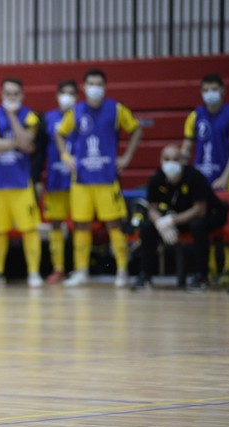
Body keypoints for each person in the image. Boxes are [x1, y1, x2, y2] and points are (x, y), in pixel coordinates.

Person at [55, 68, 143, 287]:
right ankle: (82, 271)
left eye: (99, 84)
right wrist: (65, 156)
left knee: (114, 224)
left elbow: (136, 129)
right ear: (84, 87)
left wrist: (127, 156)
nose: (95, 88)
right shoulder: (75, 111)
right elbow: (59, 132)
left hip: (107, 178)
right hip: (82, 179)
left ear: (104, 87)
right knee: (81, 225)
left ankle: (122, 271)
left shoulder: (116, 109)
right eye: (91, 84)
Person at [0, 78, 43, 288]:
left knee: (29, 229)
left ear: (21, 96)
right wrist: (16, 143)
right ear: (1, 95)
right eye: (7, 94)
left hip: (21, 183)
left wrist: (12, 116)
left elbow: (29, 143)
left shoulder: (29, 116)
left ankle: (33, 273)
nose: (11, 98)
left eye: (15, 94)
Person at [132, 145, 229, 290]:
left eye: (175, 159)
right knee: (147, 227)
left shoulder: (195, 177)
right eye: (167, 159)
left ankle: (202, 277)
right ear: (160, 160)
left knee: (198, 225)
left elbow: (200, 210)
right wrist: (160, 223)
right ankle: (145, 276)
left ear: (183, 161)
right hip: (181, 216)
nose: (171, 163)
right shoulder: (156, 179)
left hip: (211, 214)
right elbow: (152, 209)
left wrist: (170, 221)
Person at [181, 73, 229, 286]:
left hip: (225, 179)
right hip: (202, 179)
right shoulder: (195, 116)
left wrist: (225, 176)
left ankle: (228, 268)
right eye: (206, 90)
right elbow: (188, 145)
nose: (210, 94)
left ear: (222, 91)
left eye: (214, 89)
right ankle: (210, 270)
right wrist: (182, 166)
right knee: (204, 226)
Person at [34, 79, 78, 284]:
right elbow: (40, 151)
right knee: (55, 224)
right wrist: (37, 178)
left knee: (80, 224)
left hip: (80, 180)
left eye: (71, 93)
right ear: (57, 95)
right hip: (54, 179)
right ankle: (58, 268)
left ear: (77, 97)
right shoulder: (47, 119)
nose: (67, 97)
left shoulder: (83, 116)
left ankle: (79, 268)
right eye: (64, 92)